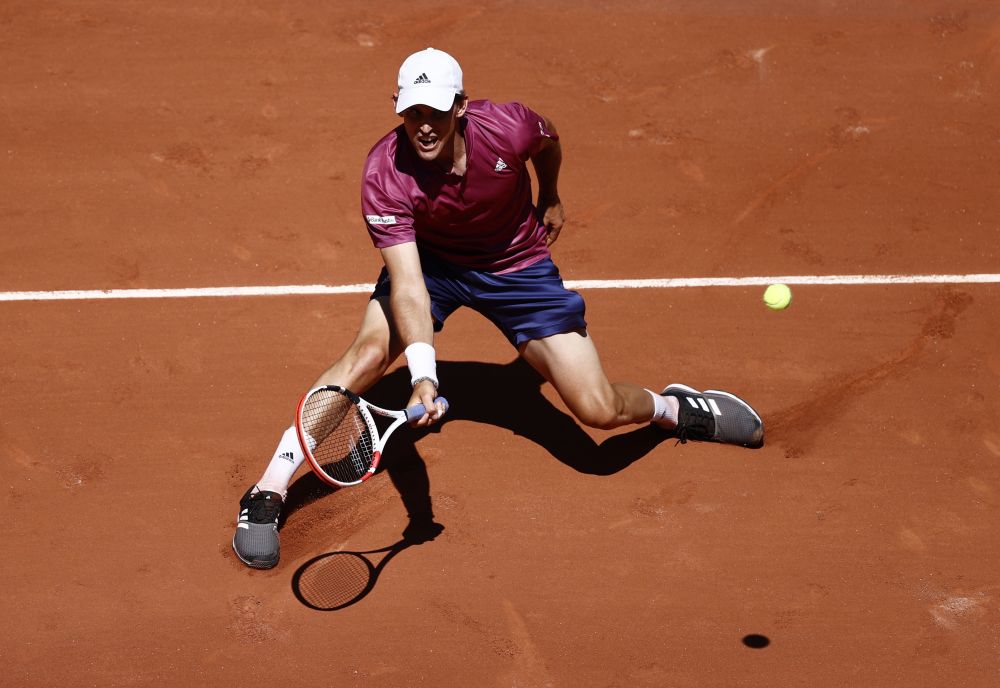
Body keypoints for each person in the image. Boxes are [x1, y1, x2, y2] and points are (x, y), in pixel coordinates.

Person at [233, 48, 764, 569]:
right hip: (433, 266)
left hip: (516, 266)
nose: (424, 126)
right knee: (368, 354)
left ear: (461, 106)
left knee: (598, 410)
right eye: (413, 113)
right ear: (397, 106)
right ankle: (268, 488)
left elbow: (549, 141)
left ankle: (674, 408)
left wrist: (550, 194)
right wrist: (423, 375)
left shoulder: (510, 127)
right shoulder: (384, 172)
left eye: (436, 112)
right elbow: (410, 287)